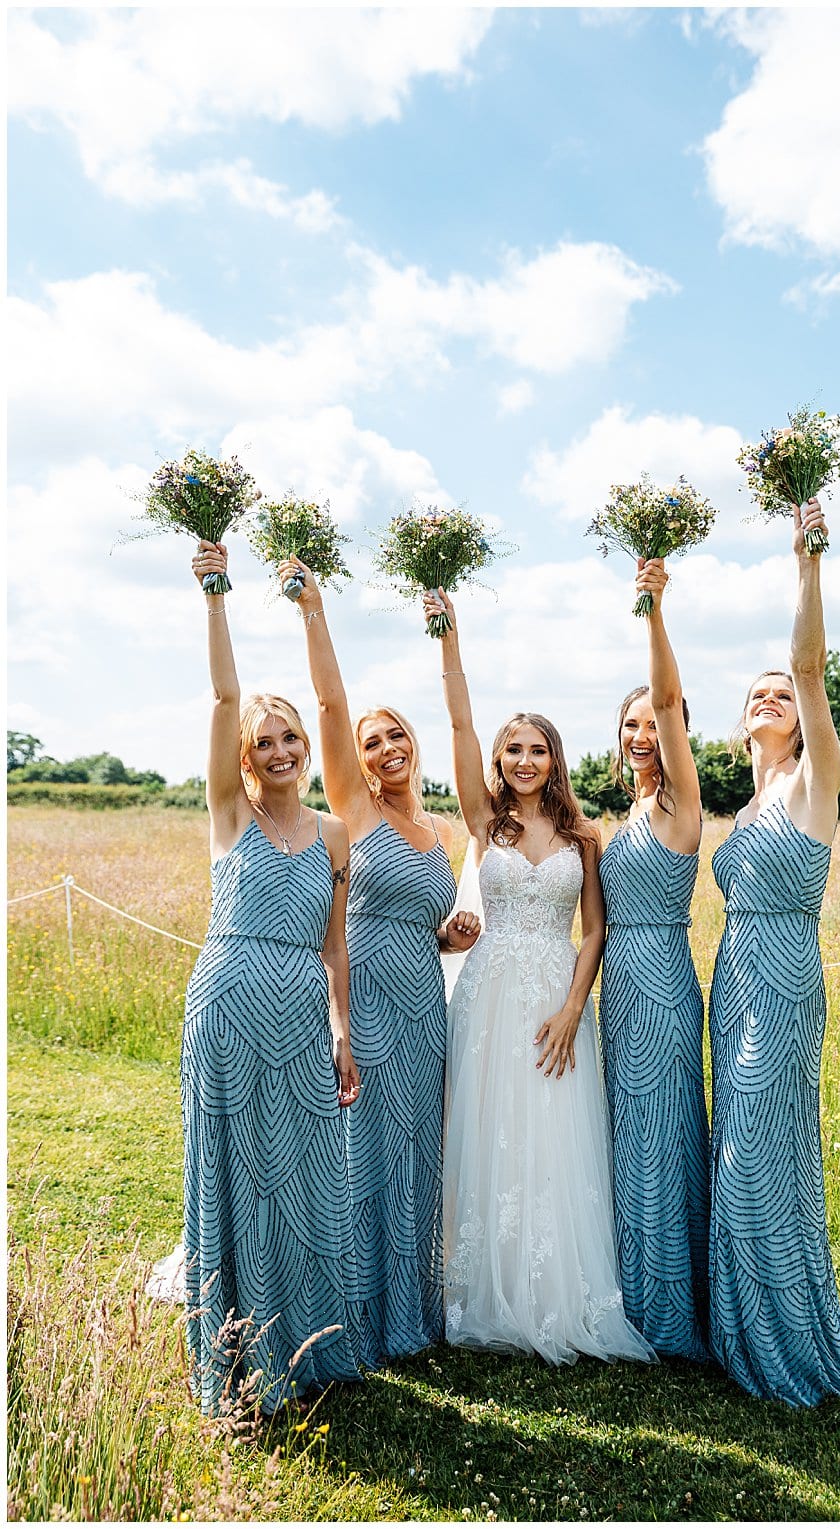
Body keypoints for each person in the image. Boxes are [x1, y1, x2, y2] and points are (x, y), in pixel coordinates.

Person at [424, 586, 655, 1367]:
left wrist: (570, 1008)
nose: (525, 760)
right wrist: (447, 635)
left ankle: (557, 1286)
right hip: (487, 991)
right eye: (512, 749)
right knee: (488, 1127)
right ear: (496, 760)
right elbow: (456, 719)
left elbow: (595, 929)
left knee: (555, 1132)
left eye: (538, 748)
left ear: (554, 757)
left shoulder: (584, 835)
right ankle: (480, 1283)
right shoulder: (485, 821)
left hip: (555, 991)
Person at [179, 538, 364, 1416]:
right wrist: (217, 594)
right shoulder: (228, 813)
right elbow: (223, 694)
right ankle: (235, 1353)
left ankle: (307, 1341)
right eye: (268, 740)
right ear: (246, 758)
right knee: (236, 1168)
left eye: (291, 735)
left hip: (300, 1010)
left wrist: (341, 1030)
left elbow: (335, 947)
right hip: (227, 1001)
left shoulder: (333, 834)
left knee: (302, 1171)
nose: (285, 748)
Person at [281, 556, 478, 1366]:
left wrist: (449, 934)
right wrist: (314, 610)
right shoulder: (353, 809)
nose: (387, 745)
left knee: (414, 1154)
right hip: (363, 1003)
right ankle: (349, 1315)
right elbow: (328, 702)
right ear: (356, 761)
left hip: (425, 1004)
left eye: (396, 733)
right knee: (359, 1151)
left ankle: (410, 1309)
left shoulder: (437, 829)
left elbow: (412, 919)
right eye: (373, 740)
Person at [708, 498, 840, 1407]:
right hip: (732, 978)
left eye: (781, 696)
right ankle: (740, 1326)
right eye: (756, 695)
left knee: (761, 1151)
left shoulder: (816, 783)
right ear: (741, 727)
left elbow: (808, 662)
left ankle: (785, 1336)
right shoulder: (745, 809)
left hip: (785, 981)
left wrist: (806, 562)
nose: (772, 698)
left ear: (800, 720)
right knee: (738, 1136)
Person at [599, 558, 711, 1359]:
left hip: (665, 977)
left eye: (652, 724)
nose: (643, 735)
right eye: (630, 726)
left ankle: (669, 1305)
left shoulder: (680, 802)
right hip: (619, 989)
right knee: (626, 1132)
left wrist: (653, 610)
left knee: (665, 1130)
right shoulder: (625, 809)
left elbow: (669, 698)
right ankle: (631, 1290)